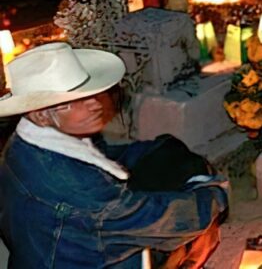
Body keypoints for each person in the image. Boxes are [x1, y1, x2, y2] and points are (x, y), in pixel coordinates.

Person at [0, 42, 229, 268]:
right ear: (41, 115)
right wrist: (215, 194)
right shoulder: (78, 189)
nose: (95, 104)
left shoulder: (24, 144)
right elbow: (154, 219)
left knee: (168, 152)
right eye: (77, 100)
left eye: (91, 92)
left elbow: (106, 156)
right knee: (184, 224)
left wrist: (170, 155)